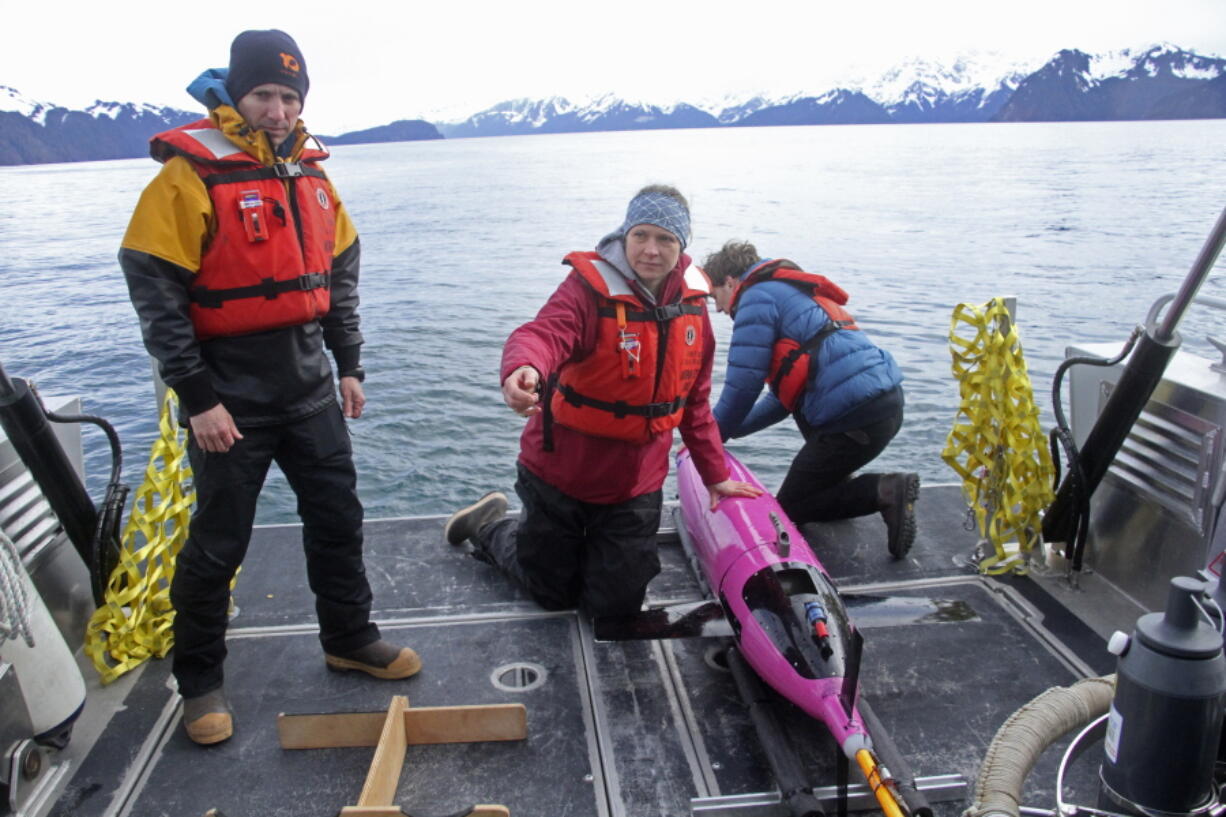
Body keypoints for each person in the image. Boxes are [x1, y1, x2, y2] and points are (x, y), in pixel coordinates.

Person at [119, 29, 419, 746]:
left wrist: (349, 364)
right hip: (230, 397)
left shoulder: (312, 175)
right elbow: (155, 292)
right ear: (236, 94)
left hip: (310, 386)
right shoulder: (185, 177)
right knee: (218, 544)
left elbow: (340, 271)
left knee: (338, 518)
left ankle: (349, 636)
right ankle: (199, 683)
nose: (279, 110)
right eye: (265, 95)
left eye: (290, 97)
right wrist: (198, 399)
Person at [444, 186, 761, 616]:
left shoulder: (693, 306)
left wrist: (715, 474)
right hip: (560, 475)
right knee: (552, 594)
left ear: (682, 245)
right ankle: (488, 526)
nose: (651, 250)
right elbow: (542, 333)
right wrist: (525, 367)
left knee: (614, 608)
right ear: (625, 234)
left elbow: (696, 402)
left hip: (635, 484)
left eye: (665, 239)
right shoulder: (585, 290)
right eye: (641, 236)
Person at [703, 240, 920, 558]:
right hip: (883, 407)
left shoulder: (754, 299)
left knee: (791, 507)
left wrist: (708, 440)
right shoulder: (787, 293)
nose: (719, 309)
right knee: (816, 480)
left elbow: (742, 386)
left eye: (715, 297)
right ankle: (849, 488)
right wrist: (732, 430)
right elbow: (782, 400)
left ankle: (886, 491)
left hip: (851, 421)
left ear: (730, 282)